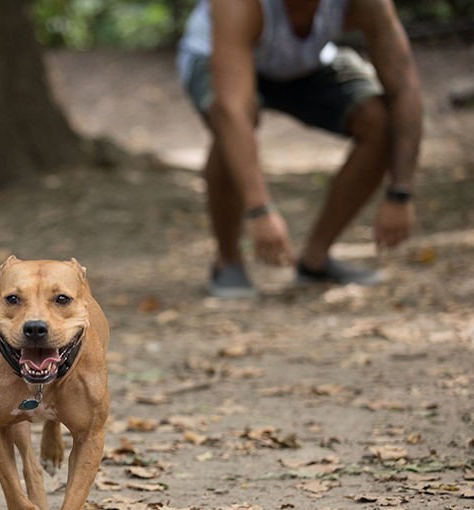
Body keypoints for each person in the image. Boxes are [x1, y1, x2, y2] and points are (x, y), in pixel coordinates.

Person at [177, 0, 423, 298]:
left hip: (305, 62)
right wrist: (260, 210)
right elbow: (233, 112)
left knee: (378, 122)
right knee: (230, 118)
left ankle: (315, 259)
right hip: (214, 54)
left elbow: (404, 88)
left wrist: (400, 191)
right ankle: (228, 260)